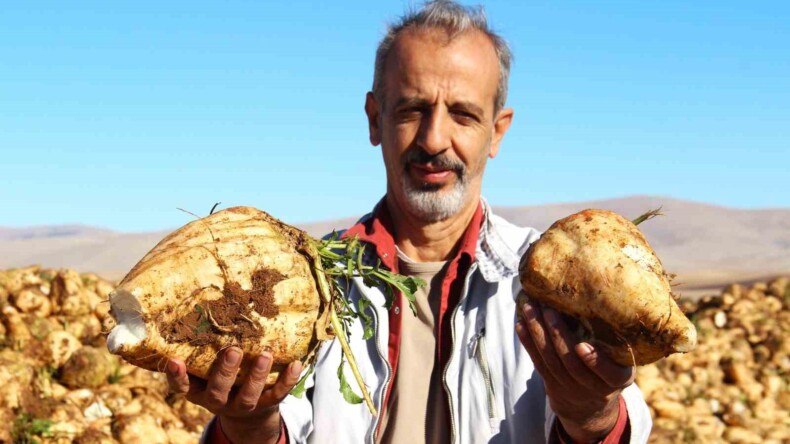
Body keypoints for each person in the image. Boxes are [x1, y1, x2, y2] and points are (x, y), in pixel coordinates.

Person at [166, 1, 652, 443]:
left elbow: (621, 422)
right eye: (412, 109)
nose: (435, 138)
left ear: (497, 131)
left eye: (462, 115)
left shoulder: (551, 284)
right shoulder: (304, 286)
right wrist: (249, 422)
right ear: (375, 119)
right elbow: (277, 426)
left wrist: (591, 415)